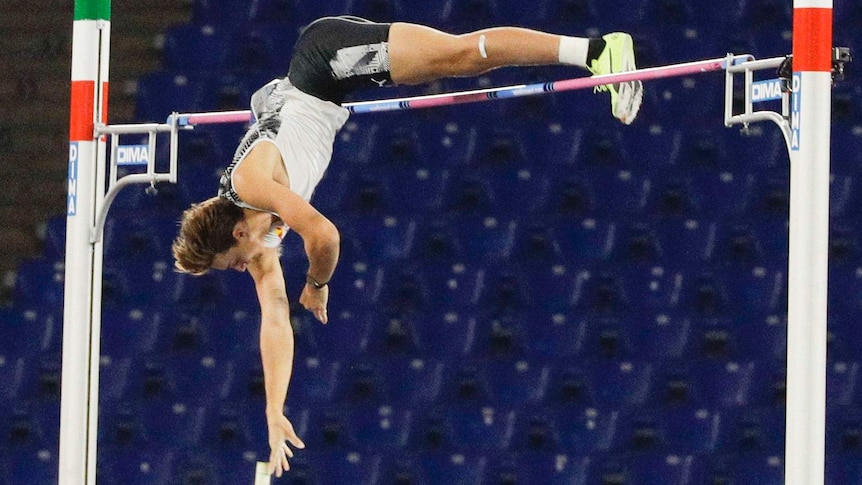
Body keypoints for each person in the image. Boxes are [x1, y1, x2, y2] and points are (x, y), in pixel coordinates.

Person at [171, 15, 643, 477]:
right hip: (318, 88)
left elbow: (325, 235)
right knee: (455, 60)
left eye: (231, 264)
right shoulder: (260, 236)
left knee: (460, 56)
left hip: (323, 63)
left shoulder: (251, 185)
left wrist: (316, 284)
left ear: (235, 234)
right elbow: (273, 318)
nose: (241, 270)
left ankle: (597, 51)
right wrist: (274, 411)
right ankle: (592, 53)